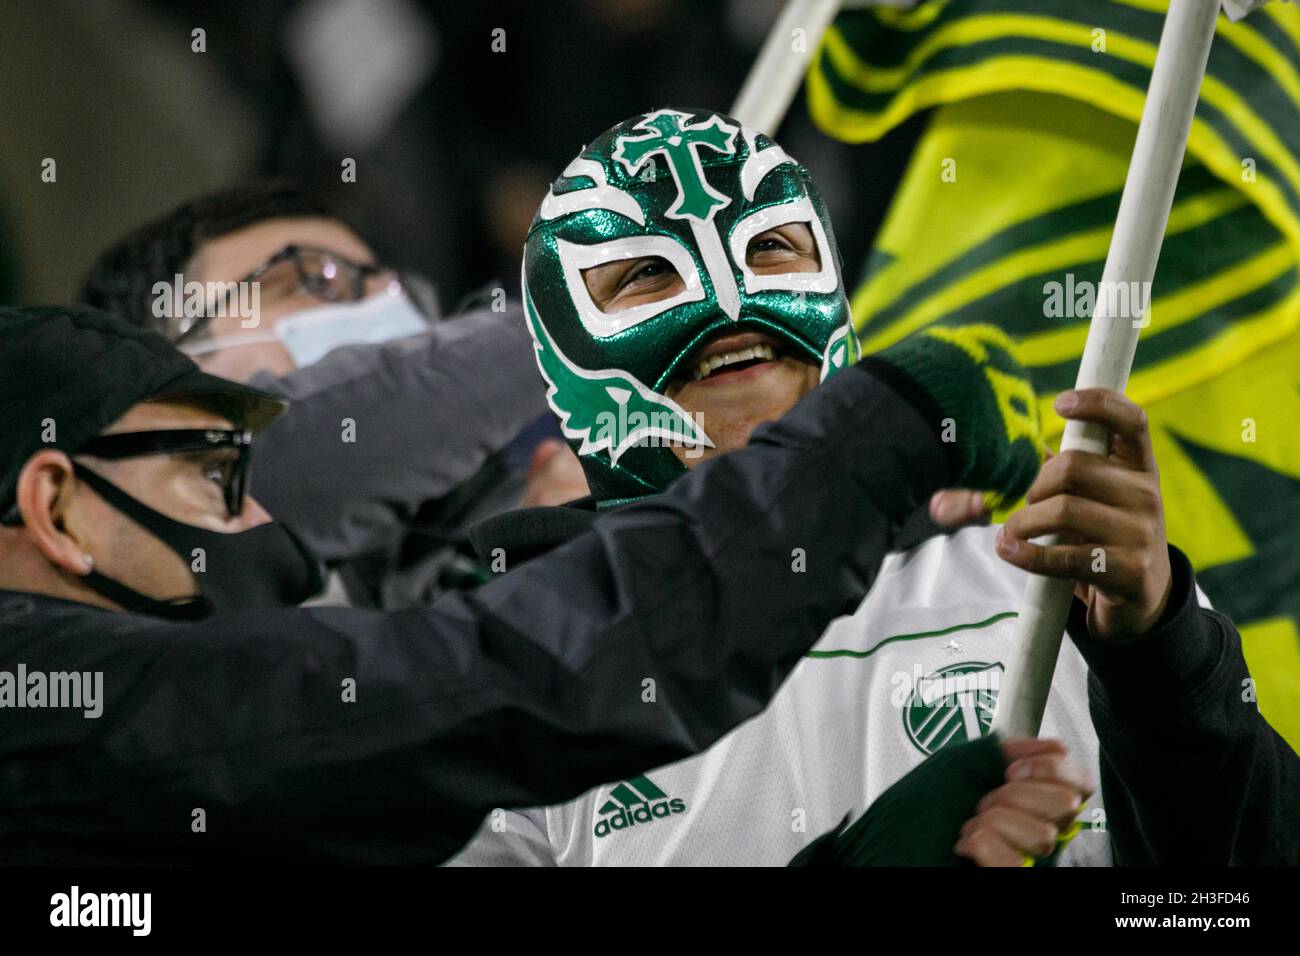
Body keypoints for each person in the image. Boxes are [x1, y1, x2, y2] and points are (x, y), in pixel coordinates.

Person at [449, 108, 1297, 867]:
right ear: (564, 366)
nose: (729, 305)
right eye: (646, 275)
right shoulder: (499, 689)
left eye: (771, 247)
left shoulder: (1047, 585)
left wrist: (1163, 661)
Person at [0, 300, 1046, 863]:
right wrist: (889, 426)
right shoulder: (52, 705)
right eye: (217, 475)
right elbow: (519, 677)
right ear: (54, 508)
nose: (267, 528)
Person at [77, 182, 574, 607]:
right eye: (314, 281)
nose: (388, 309)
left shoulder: (521, 507)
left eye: (400, 291)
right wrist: (604, 304)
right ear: (172, 363)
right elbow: (297, 444)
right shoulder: (161, 522)